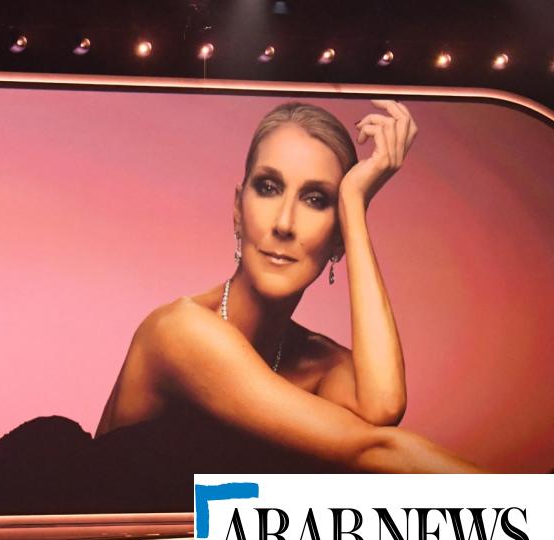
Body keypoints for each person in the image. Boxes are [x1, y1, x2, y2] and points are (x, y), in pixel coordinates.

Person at [97, 100, 480, 475]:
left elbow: (381, 407)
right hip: (103, 537)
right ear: (237, 208)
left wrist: (353, 207)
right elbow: (374, 448)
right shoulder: (180, 331)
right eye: (268, 187)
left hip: (209, 539)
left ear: (338, 239)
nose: (284, 223)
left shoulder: (316, 361)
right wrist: (537, 510)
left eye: (316, 199)